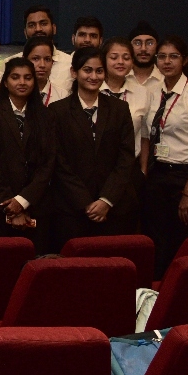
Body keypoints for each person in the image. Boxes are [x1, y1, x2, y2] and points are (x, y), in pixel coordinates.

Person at [47, 46, 139, 246]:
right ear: (74, 72)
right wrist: (86, 203)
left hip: (114, 208)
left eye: (99, 71)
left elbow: (125, 158)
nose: (94, 76)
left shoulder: (119, 109)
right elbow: (58, 162)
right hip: (71, 209)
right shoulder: (57, 111)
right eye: (87, 70)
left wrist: (106, 200)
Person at [139, 35, 188, 274]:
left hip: (186, 178)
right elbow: (146, 134)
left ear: (185, 60)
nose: (167, 62)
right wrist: (144, 172)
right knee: (157, 240)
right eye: (162, 57)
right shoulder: (153, 91)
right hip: (158, 175)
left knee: (182, 242)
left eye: (173, 57)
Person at [0, 57, 55, 244]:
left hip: (36, 206)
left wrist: (23, 200)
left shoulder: (47, 116)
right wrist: (11, 206)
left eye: (28, 78)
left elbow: (48, 164)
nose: (22, 82)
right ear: (5, 82)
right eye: (15, 77)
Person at [98, 37, 150, 155]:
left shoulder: (142, 93)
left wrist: (143, 166)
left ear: (132, 61)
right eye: (114, 57)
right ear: (103, 60)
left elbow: (144, 136)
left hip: (130, 161)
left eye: (126, 58)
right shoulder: (93, 90)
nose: (120, 62)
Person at [20, 6, 73, 96]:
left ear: (54, 28)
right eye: (32, 25)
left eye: (43, 24)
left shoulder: (70, 64)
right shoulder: (11, 63)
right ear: (25, 32)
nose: (38, 29)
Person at [24, 35, 62, 106]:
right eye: (36, 59)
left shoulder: (62, 96)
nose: (42, 65)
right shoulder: (15, 95)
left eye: (47, 59)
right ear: (24, 60)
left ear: (52, 62)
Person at [126, 22, 159, 95]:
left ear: (157, 47)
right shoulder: (121, 77)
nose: (143, 49)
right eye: (137, 43)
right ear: (129, 47)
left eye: (150, 43)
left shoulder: (166, 79)